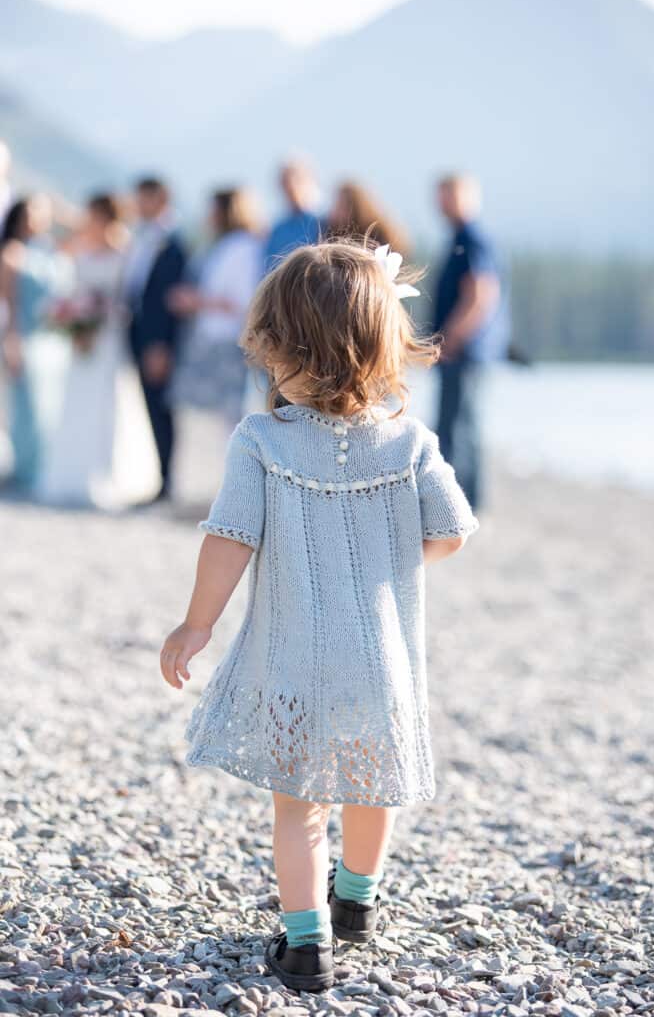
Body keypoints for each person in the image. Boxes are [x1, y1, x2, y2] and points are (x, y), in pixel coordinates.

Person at [159, 240, 479, 992]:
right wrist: (383, 565)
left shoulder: (261, 440)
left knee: (300, 808)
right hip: (383, 664)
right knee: (374, 786)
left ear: (281, 347)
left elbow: (229, 540)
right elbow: (453, 531)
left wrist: (196, 624)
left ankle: (307, 948)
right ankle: (357, 905)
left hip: (295, 661)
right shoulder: (410, 441)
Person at [38, 194, 157, 507]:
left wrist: (98, 317)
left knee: (110, 403)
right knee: (79, 402)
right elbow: (73, 292)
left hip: (109, 339)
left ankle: (112, 474)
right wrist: (73, 321)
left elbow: (128, 301)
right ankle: (74, 473)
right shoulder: (80, 252)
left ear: (106, 217)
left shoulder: (126, 253)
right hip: (83, 342)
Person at [433, 174, 504, 509]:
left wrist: (451, 339)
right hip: (460, 352)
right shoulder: (459, 238)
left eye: (451, 195)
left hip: (467, 353)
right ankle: (462, 502)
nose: (444, 203)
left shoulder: (474, 239)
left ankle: (465, 504)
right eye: (441, 196)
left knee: (462, 427)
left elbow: (481, 295)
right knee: (454, 424)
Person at [169, 188, 264, 430]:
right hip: (207, 342)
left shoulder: (245, 248)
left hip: (227, 345)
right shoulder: (219, 246)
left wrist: (196, 301)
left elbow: (242, 301)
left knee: (225, 426)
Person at [122, 177, 186, 501]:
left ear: (160, 198)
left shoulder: (174, 241)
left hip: (157, 339)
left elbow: (167, 298)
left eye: (142, 198)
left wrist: (161, 344)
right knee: (148, 404)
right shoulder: (141, 236)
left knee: (160, 406)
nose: (137, 204)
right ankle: (157, 476)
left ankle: (167, 479)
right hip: (136, 332)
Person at [0, 195, 59, 489]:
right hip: (24, 336)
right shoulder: (11, 253)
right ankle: (26, 469)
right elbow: (8, 303)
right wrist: (12, 342)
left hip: (52, 340)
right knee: (27, 407)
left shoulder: (48, 251)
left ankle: (45, 466)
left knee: (50, 406)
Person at [263, 160, 321, 272]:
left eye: (297, 181)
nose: (291, 187)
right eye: (285, 183)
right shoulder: (278, 229)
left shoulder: (322, 221)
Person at [327, 181, 410, 258]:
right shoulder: (334, 232)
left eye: (341, 206)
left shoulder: (378, 233)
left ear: (355, 208)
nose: (335, 211)